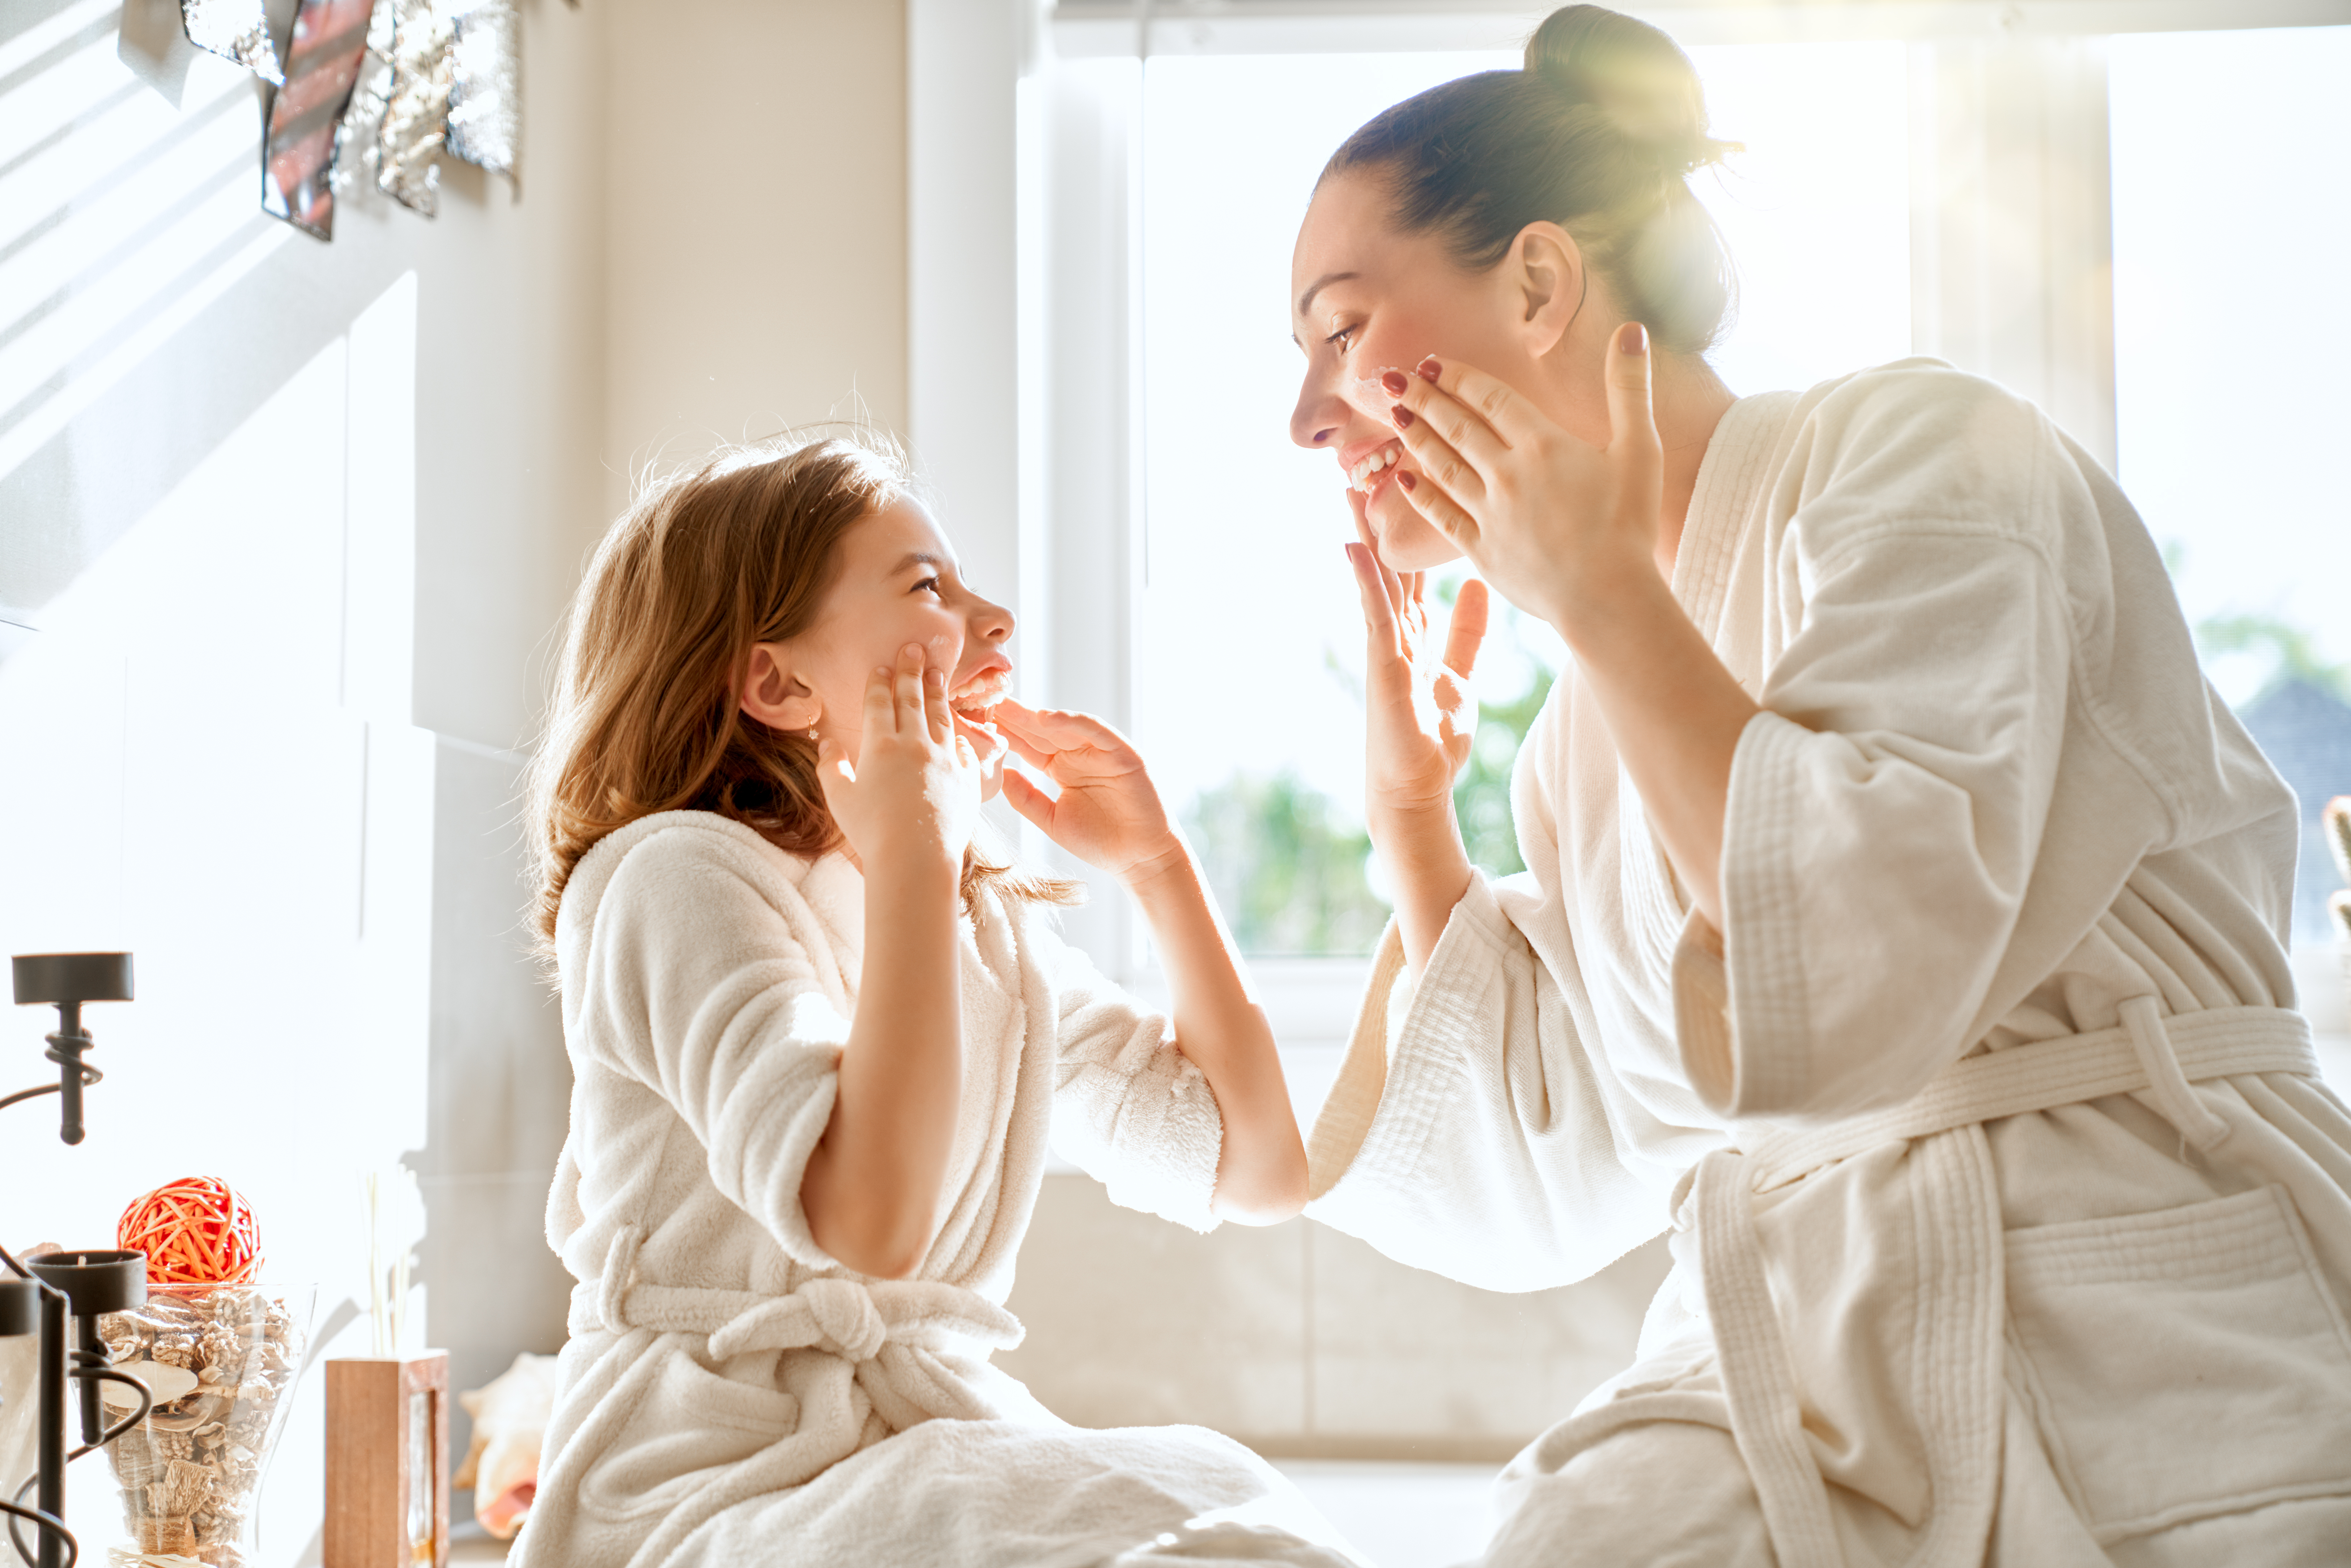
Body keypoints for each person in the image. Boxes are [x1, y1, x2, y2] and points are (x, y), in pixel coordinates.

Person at [1289, 6, 2351, 1563]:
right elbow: (1561, 1160)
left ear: (1532, 283)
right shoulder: (1583, 730)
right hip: (1805, 1336)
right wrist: (1407, 819)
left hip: (2132, 1283)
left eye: (1337, 329)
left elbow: (1854, 961)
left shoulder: (1925, 455)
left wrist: (1605, 607)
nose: (1307, 416)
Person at [515, 433, 1354, 1567]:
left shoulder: (975, 931)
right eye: (929, 588)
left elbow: (1256, 1171)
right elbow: (869, 1225)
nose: (995, 619)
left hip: (915, 1446)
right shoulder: (672, 879)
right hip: (697, 1491)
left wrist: (1159, 865)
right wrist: (915, 856)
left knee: (1217, 1493)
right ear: (778, 682)